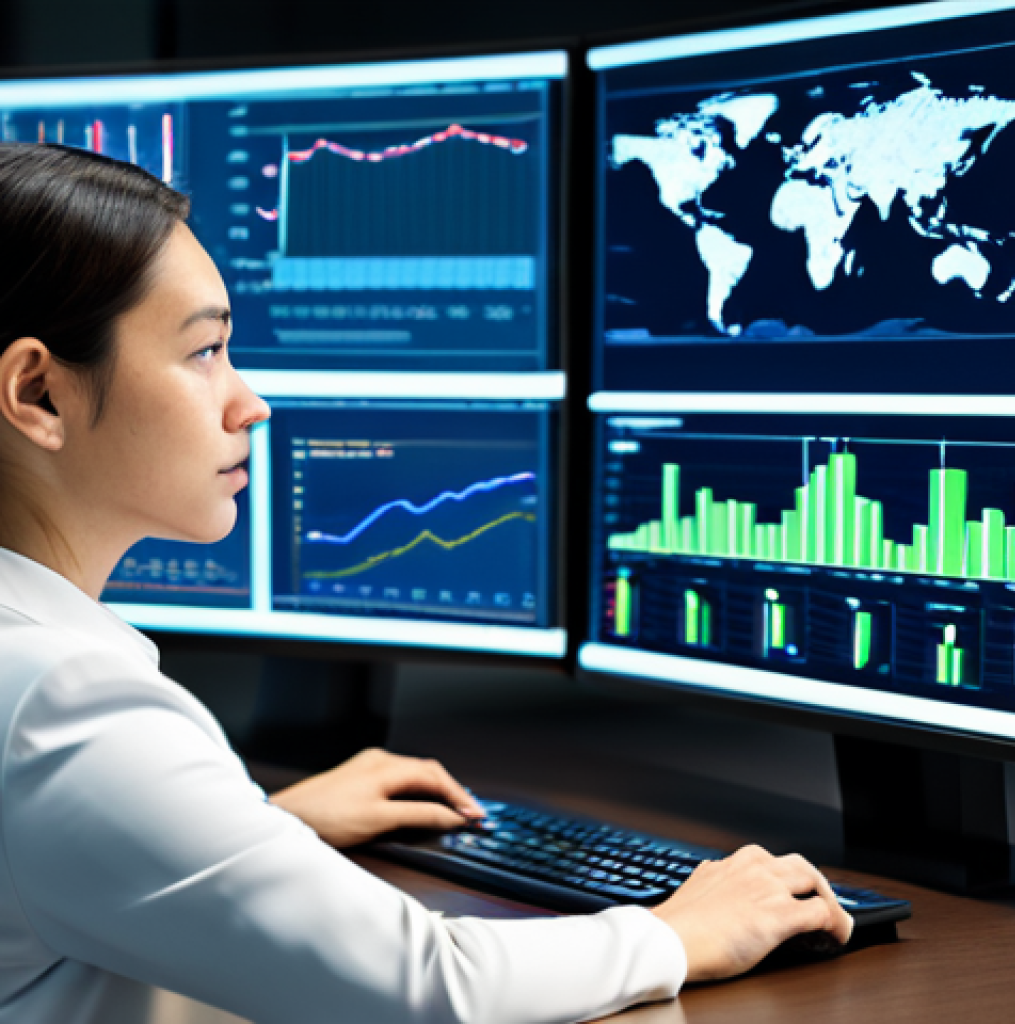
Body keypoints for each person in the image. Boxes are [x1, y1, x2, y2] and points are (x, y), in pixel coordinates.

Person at [0, 142, 852, 1024]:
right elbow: (430, 986)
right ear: (40, 394)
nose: (249, 402)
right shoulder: (65, 711)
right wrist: (676, 932)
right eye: (205, 350)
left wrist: (258, 830)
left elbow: (55, 863)